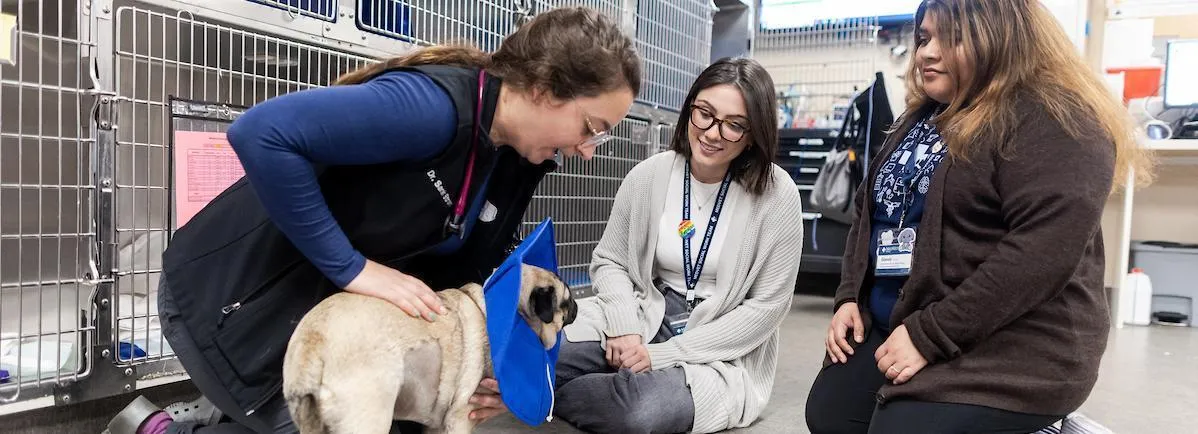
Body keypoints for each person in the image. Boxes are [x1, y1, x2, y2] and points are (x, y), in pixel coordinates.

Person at [105, 6, 641, 434]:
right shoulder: (434, 108)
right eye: (592, 127)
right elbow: (261, 134)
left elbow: (480, 264)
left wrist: (504, 364)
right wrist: (354, 269)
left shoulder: (516, 156)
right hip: (227, 310)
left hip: (327, 324)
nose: (590, 150)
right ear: (545, 90)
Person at [804, 1, 1155, 433]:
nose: (926, 53)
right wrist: (849, 297)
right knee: (831, 417)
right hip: (907, 319)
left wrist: (928, 336)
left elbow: (1039, 256)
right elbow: (870, 209)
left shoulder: (1059, 119)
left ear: (1001, 37)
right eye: (923, 38)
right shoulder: (925, 115)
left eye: (949, 38)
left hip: (1011, 341)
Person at [552, 57, 804, 434]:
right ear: (689, 110)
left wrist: (661, 356)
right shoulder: (649, 175)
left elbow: (765, 310)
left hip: (720, 342)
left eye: (734, 125)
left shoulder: (777, 195)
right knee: (541, 353)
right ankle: (597, 382)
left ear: (753, 134)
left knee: (640, 411)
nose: (713, 133)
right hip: (648, 312)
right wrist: (623, 327)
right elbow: (611, 261)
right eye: (704, 113)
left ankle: (566, 394)